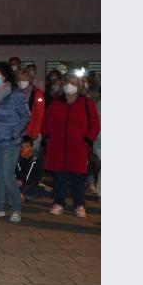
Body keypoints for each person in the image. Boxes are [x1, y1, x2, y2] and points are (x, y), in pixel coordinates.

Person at [42, 72, 100, 218]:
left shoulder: (87, 103)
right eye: (67, 83)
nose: (70, 86)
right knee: (59, 177)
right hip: (57, 146)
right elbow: (46, 121)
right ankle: (59, 202)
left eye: (73, 83)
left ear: (79, 86)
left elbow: (95, 124)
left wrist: (87, 139)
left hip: (78, 147)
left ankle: (79, 204)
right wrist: (48, 135)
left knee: (77, 179)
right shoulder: (56, 103)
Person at [0, 63, 31, 223]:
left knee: (8, 174)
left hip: (10, 141)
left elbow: (25, 116)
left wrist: (15, 134)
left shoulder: (16, 94)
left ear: (5, 76)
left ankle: (16, 209)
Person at [16, 69, 46, 156]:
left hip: (31, 132)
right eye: (19, 80)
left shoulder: (37, 94)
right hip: (17, 133)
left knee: (30, 158)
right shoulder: (14, 92)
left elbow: (39, 115)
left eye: (24, 79)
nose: (21, 82)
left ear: (29, 79)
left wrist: (35, 132)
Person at [16, 136, 51, 202]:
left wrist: (22, 182)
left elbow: (35, 177)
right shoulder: (19, 158)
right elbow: (16, 172)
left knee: (29, 192)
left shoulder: (36, 159)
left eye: (27, 147)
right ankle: (20, 195)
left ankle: (48, 192)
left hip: (35, 183)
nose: (24, 149)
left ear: (31, 147)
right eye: (21, 147)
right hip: (23, 184)